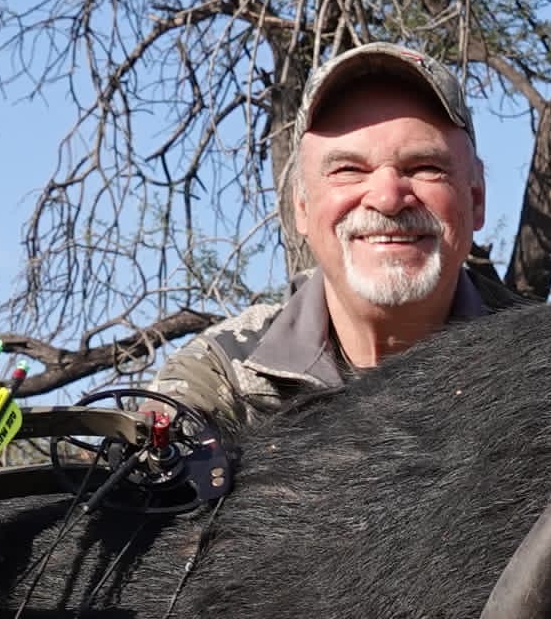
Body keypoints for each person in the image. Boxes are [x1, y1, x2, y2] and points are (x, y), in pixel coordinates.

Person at [142, 43, 511, 431]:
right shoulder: (222, 374)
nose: (387, 199)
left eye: (424, 167)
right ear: (301, 207)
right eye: (349, 169)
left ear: (476, 199)